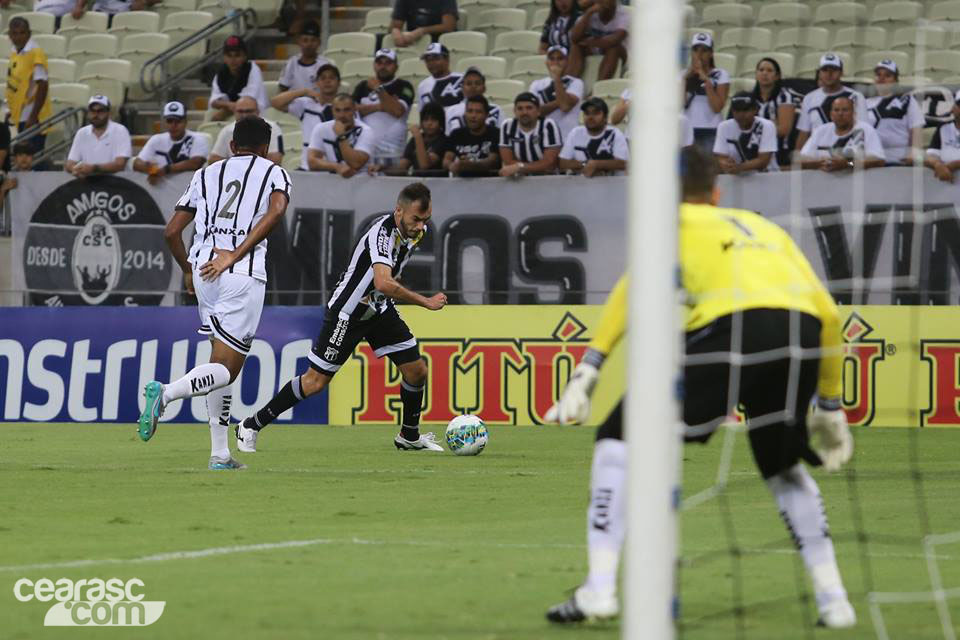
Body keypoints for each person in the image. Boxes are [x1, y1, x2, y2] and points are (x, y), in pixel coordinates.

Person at [544, 145, 856, 630]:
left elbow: (632, 292)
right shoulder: (767, 229)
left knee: (615, 437)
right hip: (802, 335)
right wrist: (831, 405)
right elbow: (831, 315)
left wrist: (589, 369)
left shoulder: (669, 226)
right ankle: (835, 599)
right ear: (717, 189)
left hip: (732, 330)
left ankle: (599, 589)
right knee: (781, 465)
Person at [234, 183, 448, 453]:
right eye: (415, 219)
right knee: (315, 382)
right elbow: (382, 282)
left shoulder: (416, 234)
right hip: (348, 313)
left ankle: (409, 436)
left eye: (425, 220)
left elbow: (388, 277)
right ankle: (250, 425)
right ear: (398, 212)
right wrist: (425, 301)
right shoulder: (381, 234)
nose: (420, 226)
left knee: (416, 370)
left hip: (378, 309)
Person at [139, 117, 292, 471]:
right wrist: (236, 254)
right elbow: (278, 209)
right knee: (225, 369)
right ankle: (166, 393)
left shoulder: (206, 174)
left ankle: (220, 453)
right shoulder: (274, 172)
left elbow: (172, 232)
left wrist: (188, 271)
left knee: (218, 362)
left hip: (205, 273)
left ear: (232, 145)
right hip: (241, 273)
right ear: (266, 148)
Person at [353, 49, 416, 167]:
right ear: (374, 65)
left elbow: (397, 111)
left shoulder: (404, 86)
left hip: (393, 151)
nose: (383, 66)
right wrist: (381, 106)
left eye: (388, 63)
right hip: (365, 149)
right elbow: (352, 111)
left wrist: (378, 89)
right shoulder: (362, 86)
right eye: (379, 63)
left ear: (396, 67)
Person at [272, 63, 340, 170]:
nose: (327, 81)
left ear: (338, 83)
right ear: (317, 83)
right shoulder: (306, 104)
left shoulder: (345, 108)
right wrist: (304, 91)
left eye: (331, 78)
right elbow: (276, 102)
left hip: (335, 167)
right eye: (323, 78)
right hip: (307, 166)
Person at [794, 53, 867, 154]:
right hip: (818, 157)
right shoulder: (809, 98)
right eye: (825, 70)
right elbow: (803, 132)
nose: (829, 74)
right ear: (819, 73)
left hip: (847, 156)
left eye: (834, 70)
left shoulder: (856, 97)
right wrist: (797, 161)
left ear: (841, 73)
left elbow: (863, 130)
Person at [799, 95, 886, 171]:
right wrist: (820, 163)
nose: (840, 113)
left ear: (854, 113)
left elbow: (879, 161)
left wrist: (847, 164)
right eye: (836, 110)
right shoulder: (821, 131)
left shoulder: (866, 130)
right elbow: (801, 160)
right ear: (831, 114)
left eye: (845, 110)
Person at [133, 101, 209, 185]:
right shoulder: (156, 139)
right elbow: (137, 163)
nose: (173, 125)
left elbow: (195, 163)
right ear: (165, 123)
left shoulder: (198, 138)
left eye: (178, 121)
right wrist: (153, 171)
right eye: (170, 121)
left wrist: (166, 170)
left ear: (185, 122)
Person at [866, 59, 924, 166]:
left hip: (897, 161)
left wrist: (914, 154)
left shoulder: (906, 100)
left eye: (887, 75)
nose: (882, 79)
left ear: (896, 81)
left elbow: (916, 129)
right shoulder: (866, 103)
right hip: (870, 162)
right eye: (878, 75)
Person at [6, 18, 51, 157]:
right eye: (15, 33)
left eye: (22, 33)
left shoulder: (35, 53)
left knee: (32, 160)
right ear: (10, 35)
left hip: (32, 118)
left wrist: (33, 117)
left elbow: (43, 85)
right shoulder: (15, 52)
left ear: (29, 33)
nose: (18, 37)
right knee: (22, 161)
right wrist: (10, 110)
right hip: (19, 116)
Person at [307, 93, 377, 178]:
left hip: (363, 181)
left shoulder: (366, 131)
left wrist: (341, 136)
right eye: (337, 110)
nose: (342, 115)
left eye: (347, 110)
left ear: (355, 109)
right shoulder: (321, 128)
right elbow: (312, 162)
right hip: (334, 183)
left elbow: (356, 163)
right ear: (332, 110)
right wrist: (336, 167)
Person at [64, 95, 132, 178]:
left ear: (108, 112)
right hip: (88, 182)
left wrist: (93, 168)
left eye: (100, 111)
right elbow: (70, 163)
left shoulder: (120, 130)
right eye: (92, 111)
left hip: (116, 183)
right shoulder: (82, 133)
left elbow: (120, 164)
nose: (96, 115)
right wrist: (75, 169)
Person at [558, 97, 628, 177]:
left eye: (596, 113)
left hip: (611, 187)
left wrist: (597, 164)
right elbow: (563, 163)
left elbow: (623, 163)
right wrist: (585, 164)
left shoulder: (615, 134)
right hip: (581, 186)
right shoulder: (575, 133)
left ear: (605, 117)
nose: (590, 117)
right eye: (587, 113)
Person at [683, 32, 730, 150]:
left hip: (711, 129)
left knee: (708, 167)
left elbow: (717, 107)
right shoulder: (682, 75)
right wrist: (685, 79)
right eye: (696, 50)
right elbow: (679, 104)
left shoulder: (721, 74)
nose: (699, 54)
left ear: (711, 54)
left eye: (704, 51)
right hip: (687, 128)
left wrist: (706, 80)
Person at [751, 57, 800, 167]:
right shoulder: (750, 98)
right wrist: (771, 127)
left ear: (777, 76)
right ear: (756, 74)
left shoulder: (784, 97)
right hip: (754, 149)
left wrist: (755, 131)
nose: (765, 73)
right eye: (761, 70)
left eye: (769, 70)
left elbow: (784, 129)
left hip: (779, 150)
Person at [713, 92, 779, 174]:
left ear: (755, 110)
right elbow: (721, 157)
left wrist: (738, 167)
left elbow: (763, 161)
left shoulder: (767, 125)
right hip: (736, 178)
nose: (741, 115)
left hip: (767, 176)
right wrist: (727, 164)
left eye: (745, 110)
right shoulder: (723, 127)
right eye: (737, 111)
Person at [499, 92, 562, 177]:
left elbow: (549, 163)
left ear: (538, 111)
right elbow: (508, 161)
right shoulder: (507, 126)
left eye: (529, 108)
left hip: (548, 179)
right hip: (519, 179)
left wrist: (520, 167)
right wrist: (522, 168)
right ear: (514, 111)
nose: (524, 112)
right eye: (520, 108)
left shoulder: (548, 125)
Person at [529, 45, 584, 143]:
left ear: (567, 62)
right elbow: (534, 112)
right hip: (543, 137)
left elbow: (565, 106)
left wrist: (557, 77)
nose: (555, 62)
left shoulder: (576, 82)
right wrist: (560, 100)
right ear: (547, 62)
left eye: (560, 58)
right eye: (552, 58)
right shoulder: (536, 84)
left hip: (567, 138)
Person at [209, 96, 285, 166]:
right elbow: (213, 159)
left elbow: (275, 160)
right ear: (234, 112)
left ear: (258, 111)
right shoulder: (227, 130)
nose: (244, 115)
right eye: (240, 111)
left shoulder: (272, 128)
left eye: (249, 111)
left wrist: (239, 163)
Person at [209, 36, 269, 121]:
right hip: (230, 113)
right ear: (224, 58)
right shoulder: (221, 73)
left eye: (237, 55)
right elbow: (214, 102)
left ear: (244, 56)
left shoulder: (252, 69)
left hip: (256, 115)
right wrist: (229, 106)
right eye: (229, 55)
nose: (233, 60)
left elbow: (248, 102)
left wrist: (225, 110)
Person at [569, 0, 628, 83]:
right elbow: (574, 37)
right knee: (576, 46)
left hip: (620, 52)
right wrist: (588, 13)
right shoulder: (592, 11)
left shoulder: (623, 14)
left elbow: (615, 39)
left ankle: (598, 87)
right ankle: (568, 83)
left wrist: (589, 42)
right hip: (598, 47)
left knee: (614, 48)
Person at [443, 95, 501, 177]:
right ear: (465, 114)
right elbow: (446, 160)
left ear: (486, 115)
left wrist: (470, 165)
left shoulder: (496, 134)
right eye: (470, 111)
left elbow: (492, 161)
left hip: (490, 183)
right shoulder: (456, 134)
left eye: (478, 112)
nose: (473, 116)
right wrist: (452, 166)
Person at [390, 102, 447, 176]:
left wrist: (417, 136)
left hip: (438, 185)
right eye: (426, 120)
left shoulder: (444, 141)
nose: (429, 123)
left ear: (441, 122)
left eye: (434, 120)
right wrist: (382, 168)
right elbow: (402, 168)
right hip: (416, 185)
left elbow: (424, 165)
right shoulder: (414, 140)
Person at [444, 67, 501, 135]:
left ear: (484, 88)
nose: (473, 86)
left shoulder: (496, 110)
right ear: (462, 88)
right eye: (469, 84)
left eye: (477, 83)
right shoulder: (450, 111)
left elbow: (502, 137)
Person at [278, 20, 331, 92]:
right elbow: (283, 89)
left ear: (319, 42)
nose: (309, 44)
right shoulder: (291, 63)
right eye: (305, 40)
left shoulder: (325, 65)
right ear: (299, 41)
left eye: (313, 40)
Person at [539, 0, 582, 77]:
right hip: (554, 61)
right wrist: (554, 59)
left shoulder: (581, 19)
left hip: (573, 60)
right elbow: (542, 48)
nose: (563, 2)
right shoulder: (550, 21)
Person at [925, 89, 960, 183]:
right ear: (953, 108)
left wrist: (954, 165)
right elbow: (931, 154)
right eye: (959, 105)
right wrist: (938, 165)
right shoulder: (943, 127)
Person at [390, 0, 457, 48]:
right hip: (412, 40)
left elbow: (449, 26)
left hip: (437, 40)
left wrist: (422, 31)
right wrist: (395, 32)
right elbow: (396, 25)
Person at [418, 43, 464, 109]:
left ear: (447, 59)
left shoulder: (462, 79)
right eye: (428, 60)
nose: (431, 63)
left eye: (435, 59)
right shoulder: (423, 86)